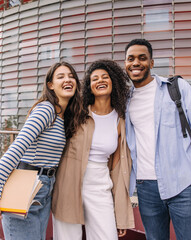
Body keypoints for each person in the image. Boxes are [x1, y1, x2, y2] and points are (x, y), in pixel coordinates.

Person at [124, 39, 191, 240]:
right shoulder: (125, 100)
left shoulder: (176, 88)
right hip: (146, 188)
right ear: (125, 64)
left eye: (142, 58)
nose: (136, 63)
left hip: (183, 185)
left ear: (151, 63)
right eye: (130, 58)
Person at [0, 61, 83, 240]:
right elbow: (17, 147)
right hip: (27, 185)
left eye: (72, 76)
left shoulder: (62, 116)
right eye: (61, 76)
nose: (68, 79)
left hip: (44, 187)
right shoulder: (46, 109)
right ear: (51, 85)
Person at [51, 59, 134, 240]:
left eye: (105, 77)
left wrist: (120, 214)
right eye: (94, 79)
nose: (100, 81)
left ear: (114, 81)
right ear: (89, 86)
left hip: (100, 187)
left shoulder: (120, 121)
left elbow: (118, 169)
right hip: (68, 184)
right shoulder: (77, 112)